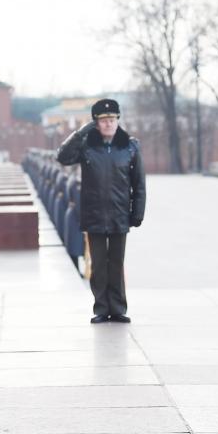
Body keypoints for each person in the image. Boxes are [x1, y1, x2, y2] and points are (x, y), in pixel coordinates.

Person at [57, 98, 145, 324]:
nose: (108, 124)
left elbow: (139, 183)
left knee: (116, 263)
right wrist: (81, 133)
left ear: (118, 120)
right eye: (103, 120)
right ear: (96, 123)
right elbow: (63, 157)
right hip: (94, 214)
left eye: (112, 119)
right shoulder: (87, 146)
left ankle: (117, 308)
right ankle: (101, 308)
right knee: (98, 264)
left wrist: (137, 212)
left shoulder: (130, 146)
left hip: (118, 214)